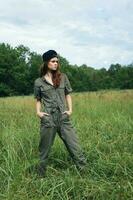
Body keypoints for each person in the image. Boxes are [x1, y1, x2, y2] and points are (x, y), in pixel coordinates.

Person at [33, 50, 87, 177]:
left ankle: (84, 173)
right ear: (46, 63)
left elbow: (68, 95)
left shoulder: (63, 78)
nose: (56, 63)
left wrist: (70, 110)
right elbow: (38, 99)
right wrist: (38, 113)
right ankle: (40, 177)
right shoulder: (39, 82)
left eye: (57, 61)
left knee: (75, 147)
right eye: (53, 61)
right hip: (48, 119)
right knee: (44, 151)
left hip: (63, 118)